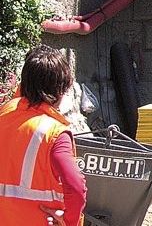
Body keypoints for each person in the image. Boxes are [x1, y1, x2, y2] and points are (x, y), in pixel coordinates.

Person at [0, 45, 87, 226]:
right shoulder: (54, 133)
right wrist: (70, 221)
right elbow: (76, 188)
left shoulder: (4, 114)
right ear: (60, 90)